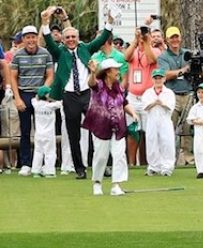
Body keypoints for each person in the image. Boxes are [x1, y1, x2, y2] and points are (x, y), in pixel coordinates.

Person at [41, 6, 114, 180]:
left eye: (73, 37)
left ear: (78, 38)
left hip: (87, 92)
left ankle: (104, 165)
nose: (71, 39)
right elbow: (49, 42)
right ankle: (79, 168)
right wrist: (45, 23)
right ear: (64, 40)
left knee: (98, 130)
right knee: (73, 134)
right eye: (67, 37)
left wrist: (110, 21)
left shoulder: (85, 48)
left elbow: (102, 38)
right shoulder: (60, 52)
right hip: (69, 95)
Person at [82, 59, 138, 196]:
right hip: (101, 125)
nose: (118, 72)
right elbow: (91, 84)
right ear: (108, 72)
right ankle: (97, 183)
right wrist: (92, 72)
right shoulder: (99, 85)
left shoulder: (118, 86)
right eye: (116, 69)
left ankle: (116, 185)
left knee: (119, 155)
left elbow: (124, 102)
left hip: (118, 126)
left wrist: (133, 113)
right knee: (101, 156)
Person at [10, 25, 54, 176]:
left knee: (42, 132)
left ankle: (41, 163)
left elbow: (50, 75)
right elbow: (13, 78)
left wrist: (44, 88)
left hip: (40, 95)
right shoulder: (18, 55)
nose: (31, 40)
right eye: (27, 37)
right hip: (24, 94)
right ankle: (26, 164)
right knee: (25, 130)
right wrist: (17, 98)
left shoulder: (45, 53)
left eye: (33, 37)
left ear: (37, 38)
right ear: (23, 39)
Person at [124, 25, 161, 167]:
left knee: (148, 131)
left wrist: (146, 42)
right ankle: (132, 163)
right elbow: (126, 57)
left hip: (147, 96)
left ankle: (147, 162)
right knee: (133, 130)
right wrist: (135, 40)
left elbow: (152, 59)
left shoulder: (155, 50)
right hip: (133, 97)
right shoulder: (133, 51)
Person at [158, 26, 193, 165]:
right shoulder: (163, 57)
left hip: (188, 93)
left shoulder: (187, 53)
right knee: (169, 127)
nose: (174, 40)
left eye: (176, 36)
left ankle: (188, 158)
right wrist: (182, 71)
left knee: (187, 127)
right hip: (172, 95)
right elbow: (165, 74)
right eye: (171, 37)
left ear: (180, 37)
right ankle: (169, 159)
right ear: (166, 39)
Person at [142, 69, 176, 177]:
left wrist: (161, 103)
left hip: (165, 120)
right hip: (152, 120)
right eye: (156, 78)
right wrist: (154, 103)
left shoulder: (169, 92)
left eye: (160, 78)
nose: (158, 80)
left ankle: (167, 167)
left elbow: (171, 106)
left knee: (167, 142)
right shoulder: (148, 92)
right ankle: (153, 166)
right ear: (152, 79)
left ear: (164, 79)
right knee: (151, 142)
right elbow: (145, 107)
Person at [31, 85, 61, 177]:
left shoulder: (36, 104)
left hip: (38, 134)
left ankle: (36, 170)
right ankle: (49, 171)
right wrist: (53, 98)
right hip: (49, 134)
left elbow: (33, 99)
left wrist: (39, 96)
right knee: (50, 152)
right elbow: (60, 102)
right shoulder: (51, 106)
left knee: (38, 151)